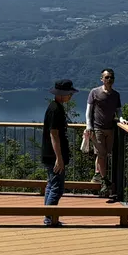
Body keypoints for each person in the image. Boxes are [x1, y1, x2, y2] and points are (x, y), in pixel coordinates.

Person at [42, 80, 76, 226]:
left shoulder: (54, 107)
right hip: (53, 155)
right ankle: (49, 218)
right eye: (69, 93)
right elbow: (54, 134)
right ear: (62, 95)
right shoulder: (56, 110)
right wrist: (59, 158)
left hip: (49, 154)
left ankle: (48, 216)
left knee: (51, 185)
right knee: (57, 187)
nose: (70, 96)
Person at [85, 70, 123, 197]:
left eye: (111, 77)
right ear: (102, 79)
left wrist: (122, 119)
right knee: (102, 155)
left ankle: (97, 174)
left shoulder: (116, 95)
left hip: (110, 128)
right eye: (107, 77)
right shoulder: (94, 92)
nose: (109, 79)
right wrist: (89, 126)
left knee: (105, 153)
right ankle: (105, 180)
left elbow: (118, 110)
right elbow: (88, 110)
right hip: (97, 128)